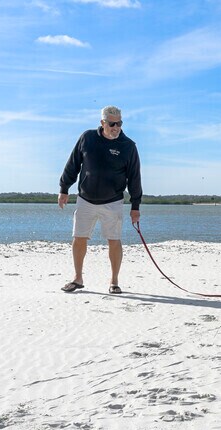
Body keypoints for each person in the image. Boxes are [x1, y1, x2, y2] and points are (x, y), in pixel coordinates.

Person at [58, 105, 142, 294]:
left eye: (119, 123)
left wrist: (135, 206)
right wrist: (64, 188)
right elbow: (73, 164)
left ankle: (114, 281)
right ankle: (77, 278)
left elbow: (134, 178)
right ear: (102, 122)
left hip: (113, 202)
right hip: (85, 199)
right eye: (112, 123)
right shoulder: (87, 138)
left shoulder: (128, 146)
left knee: (114, 239)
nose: (116, 127)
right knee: (79, 238)